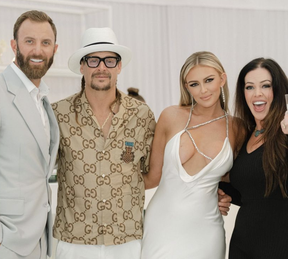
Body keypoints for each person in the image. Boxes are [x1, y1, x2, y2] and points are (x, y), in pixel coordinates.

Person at [52, 27, 156, 259]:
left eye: (109, 60)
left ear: (119, 66)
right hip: (74, 242)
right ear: (82, 66)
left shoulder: (141, 114)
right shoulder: (58, 114)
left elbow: (154, 172)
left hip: (126, 240)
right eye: (93, 60)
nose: (101, 67)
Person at [141, 51, 240, 259]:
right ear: (187, 87)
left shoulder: (237, 128)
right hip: (161, 226)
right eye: (194, 84)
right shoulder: (171, 116)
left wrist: (224, 193)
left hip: (206, 231)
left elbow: (240, 177)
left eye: (209, 80)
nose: (203, 90)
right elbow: (152, 178)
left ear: (222, 79)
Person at [0, 10, 59, 259]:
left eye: (45, 43)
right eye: (29, 41)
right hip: (8, 239)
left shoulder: (42, 98)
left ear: (55, 49)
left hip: (40, 240)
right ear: (14, 45)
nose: (38, 51)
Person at [221, 57, 288, 259]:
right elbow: (253, 191)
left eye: (265, 86)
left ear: (279, 91)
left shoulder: (285, 134)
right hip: (243, 245)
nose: (257, 93)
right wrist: (220, 192)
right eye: (250, 87)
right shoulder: (246, 134)